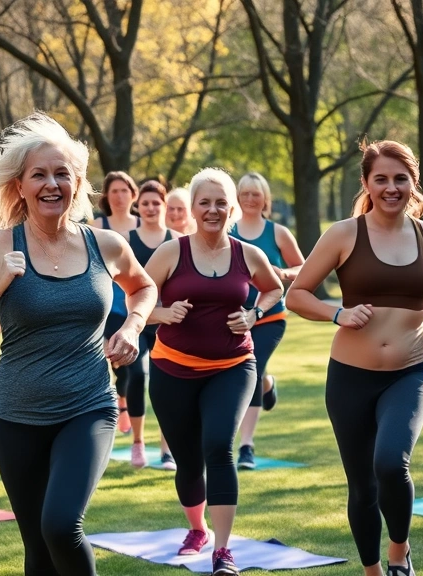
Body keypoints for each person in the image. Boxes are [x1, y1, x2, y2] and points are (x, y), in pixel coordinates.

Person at [0, 113, 156, 575]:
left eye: (62, 173)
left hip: (88, 406)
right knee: (38, 549)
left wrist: (132, 327)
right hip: (17, 417)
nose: (51, 184)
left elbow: (143, 288)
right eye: (39, 174)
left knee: (62, 525)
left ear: (77, 182)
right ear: (19, 186)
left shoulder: (106, 245)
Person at [286, 140, 423, 576]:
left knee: (391, 462)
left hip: (410, 373)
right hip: (350, 377)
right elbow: (296, 295)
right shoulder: (344, 234)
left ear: (414, 183)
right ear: (367, 183)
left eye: (400, 179)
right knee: (362, 485)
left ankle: (398, 551)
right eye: (381, 179)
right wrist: (338, 313)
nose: (392, 188)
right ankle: (372, 571)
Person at [144, 168, 283, 576]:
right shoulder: (173, 253)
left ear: (232, 207)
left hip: (233, 366)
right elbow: (134, 300)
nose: (212, 209)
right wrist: (163, 313)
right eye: (204, 202)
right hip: (172, 369)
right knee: (188, 461)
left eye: (221, 202)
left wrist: (254, 312)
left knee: (219, 447)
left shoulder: (247, 253)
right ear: (192, 209)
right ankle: (197, 528)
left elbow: (274, 288)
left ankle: (223, 552)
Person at [230, 173, 304, 470]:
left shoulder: (278, 233)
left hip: (270, 317)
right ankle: (268, 385)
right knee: (245, 373)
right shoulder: (228, 229)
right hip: (233, 317)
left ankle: (246, 447)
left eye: (255, 194)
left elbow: (304, 267)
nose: (250, 198)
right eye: (244, 193)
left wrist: (283, 274)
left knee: (252, 369)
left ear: (265, 199)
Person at [125, 180, 179, 470]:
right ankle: (137, 442)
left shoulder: (177, 239)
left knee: (165, 385)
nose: (149, 207)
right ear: (138, 206)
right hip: (136, 322)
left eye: (155, 203)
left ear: (164, 205)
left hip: (168, 324)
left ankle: (166, 449)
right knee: (137, 375)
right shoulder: (127, 241)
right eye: (144, 203)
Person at [91, 171, 140, 434]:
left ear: (134, 194)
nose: (120, 196)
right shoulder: (96, 226)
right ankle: (116, 408)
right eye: (114, 191)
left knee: (129, 363)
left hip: (131, 303)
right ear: (107, 197)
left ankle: (124, 406)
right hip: (104, 303)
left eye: (124, 190)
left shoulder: (143, 227)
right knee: (107, 360)